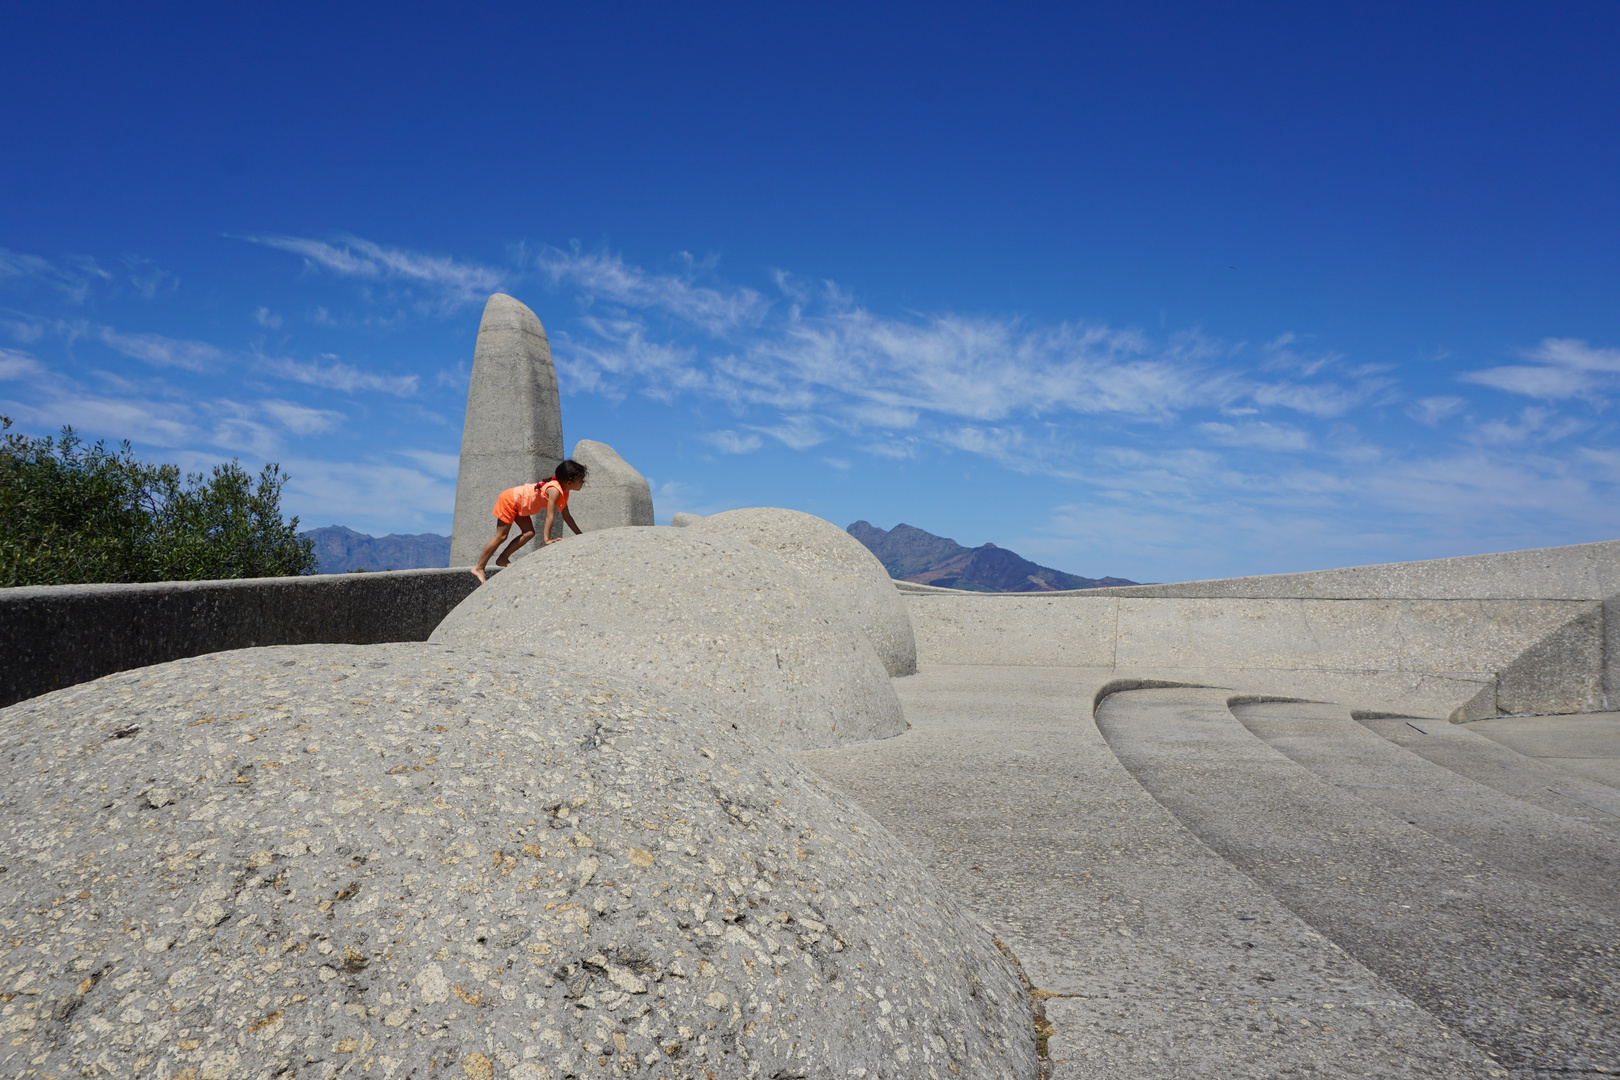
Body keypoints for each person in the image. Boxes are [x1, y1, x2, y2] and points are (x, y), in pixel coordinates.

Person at [470, 459, 588, 582]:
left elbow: (567, 517)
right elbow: (549, 516)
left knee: (529, 533)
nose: (583, 482)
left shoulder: (564, 492)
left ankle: (502, 559)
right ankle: (479, 567)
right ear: (569, 482)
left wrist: (580, 536)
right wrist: (547, 540)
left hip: (519, 504)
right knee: (501, 536)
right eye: (581, 480)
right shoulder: (554, 490)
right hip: (510, 500)